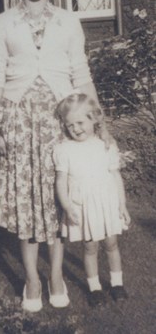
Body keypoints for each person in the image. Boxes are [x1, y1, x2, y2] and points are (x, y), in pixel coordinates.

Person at [0, 0, 107, 312]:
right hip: (19, 120)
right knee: (27, 202)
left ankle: (55, 275)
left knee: (57, 200)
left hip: (59, 120)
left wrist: (100, 120)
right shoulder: (3, 23)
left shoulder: (68, 22)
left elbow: (80, 73)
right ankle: (32, 279)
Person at [53, 93, 131, 307]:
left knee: (111, 244)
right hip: (83, 206)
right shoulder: (64, 150)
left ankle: (117, 284)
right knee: (90, 247)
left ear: (93, 119)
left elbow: (116, 177)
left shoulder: (105, 146)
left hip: (107, 203)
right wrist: (67, 206)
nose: (76, 128)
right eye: (70, 125)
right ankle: (94, 287)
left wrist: (122, 205)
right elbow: (61, 181)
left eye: (80, 122)